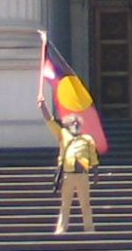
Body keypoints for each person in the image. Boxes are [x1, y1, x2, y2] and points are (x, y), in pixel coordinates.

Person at [38, 99, 98, 234]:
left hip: (82, 174)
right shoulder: (63, 134)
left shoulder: (87, 138)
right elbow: (50, 121)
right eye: (73, 122)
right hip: (67, 174)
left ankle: (89, 229)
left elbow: (93, 157)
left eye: (77, 123)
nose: (75, 124)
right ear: (68, 124)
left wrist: (95, 173)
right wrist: (43, 107)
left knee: (85, 204)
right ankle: (61, 229)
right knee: (65, 204)